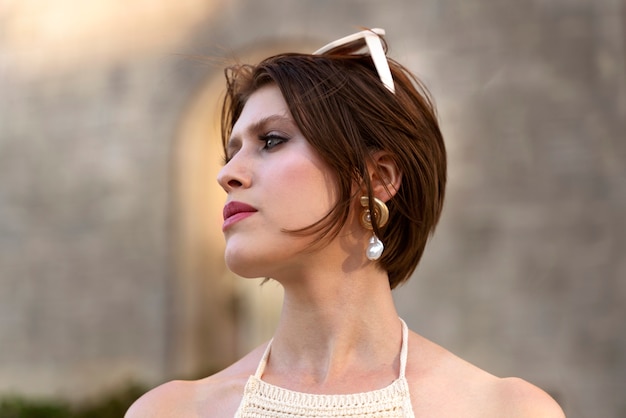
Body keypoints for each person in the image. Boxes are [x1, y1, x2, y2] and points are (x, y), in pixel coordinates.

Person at [127, 28, 564, 417]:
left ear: (377, 177)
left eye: (271, 141)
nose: (227, 174)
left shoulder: (504, 410)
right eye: (232, 151)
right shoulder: (170, 411)